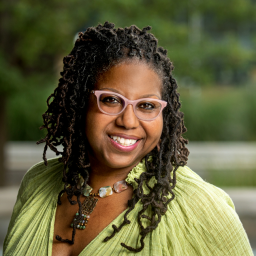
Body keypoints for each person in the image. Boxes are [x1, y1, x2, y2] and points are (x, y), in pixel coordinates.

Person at [3, 22, 253, 256]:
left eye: (146, 105)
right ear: (81, 104)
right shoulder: (37, 184)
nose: (129, 121)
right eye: (111, 100)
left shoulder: (199, 207)